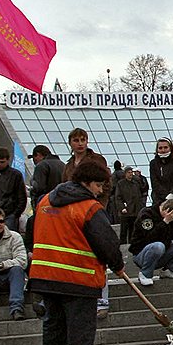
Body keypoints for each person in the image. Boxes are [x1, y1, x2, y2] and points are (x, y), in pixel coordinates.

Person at [29, 160, 124, 345]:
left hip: (46, 277)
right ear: (86, 182)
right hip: (77, 278)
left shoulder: (45, 201)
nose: (100, 190)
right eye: (98, 185)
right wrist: (117, 263)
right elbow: (106, 240)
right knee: (80, 330)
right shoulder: (88, 207)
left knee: (54, 329)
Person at [61, 128, 111, 318]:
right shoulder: (68, 165)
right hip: (73, 214)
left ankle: (102, 300)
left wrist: (100, 205)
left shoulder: (96, 160)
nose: (80, 143)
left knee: (98, 254)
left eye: (83, 139)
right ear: (71, 143)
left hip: (93, 210)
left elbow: (106, 183)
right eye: (76, 140)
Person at [127, 199, 173, 286]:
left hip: (163, 253)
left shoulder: (172, 218)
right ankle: (145, 274)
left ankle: (170, 271)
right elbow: (149, 238)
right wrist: (165, 221)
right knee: (158, 246)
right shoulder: (147, 214)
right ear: (165, 210)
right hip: (142, 253)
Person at [149, 138, 173, 207]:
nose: (163, 150)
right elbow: (154, 182)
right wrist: (165, 196)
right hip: (158, 200)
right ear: (157, 150)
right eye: (160, 148)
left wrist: (172, 194)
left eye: (166, 147)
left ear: (170, 148)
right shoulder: (153, 163)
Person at [113, 167, 145, 244]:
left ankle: (132, 243)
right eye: (129, 172)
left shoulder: (136, 183)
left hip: (135, 211)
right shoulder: (120, 184)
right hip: (125, 211)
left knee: (133, 229)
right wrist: (122, 208)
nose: (131, 174)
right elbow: (118, 197)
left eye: (131, 172)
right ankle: (122, 245)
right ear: (125, 174)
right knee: (124, 230)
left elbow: (141, 192)